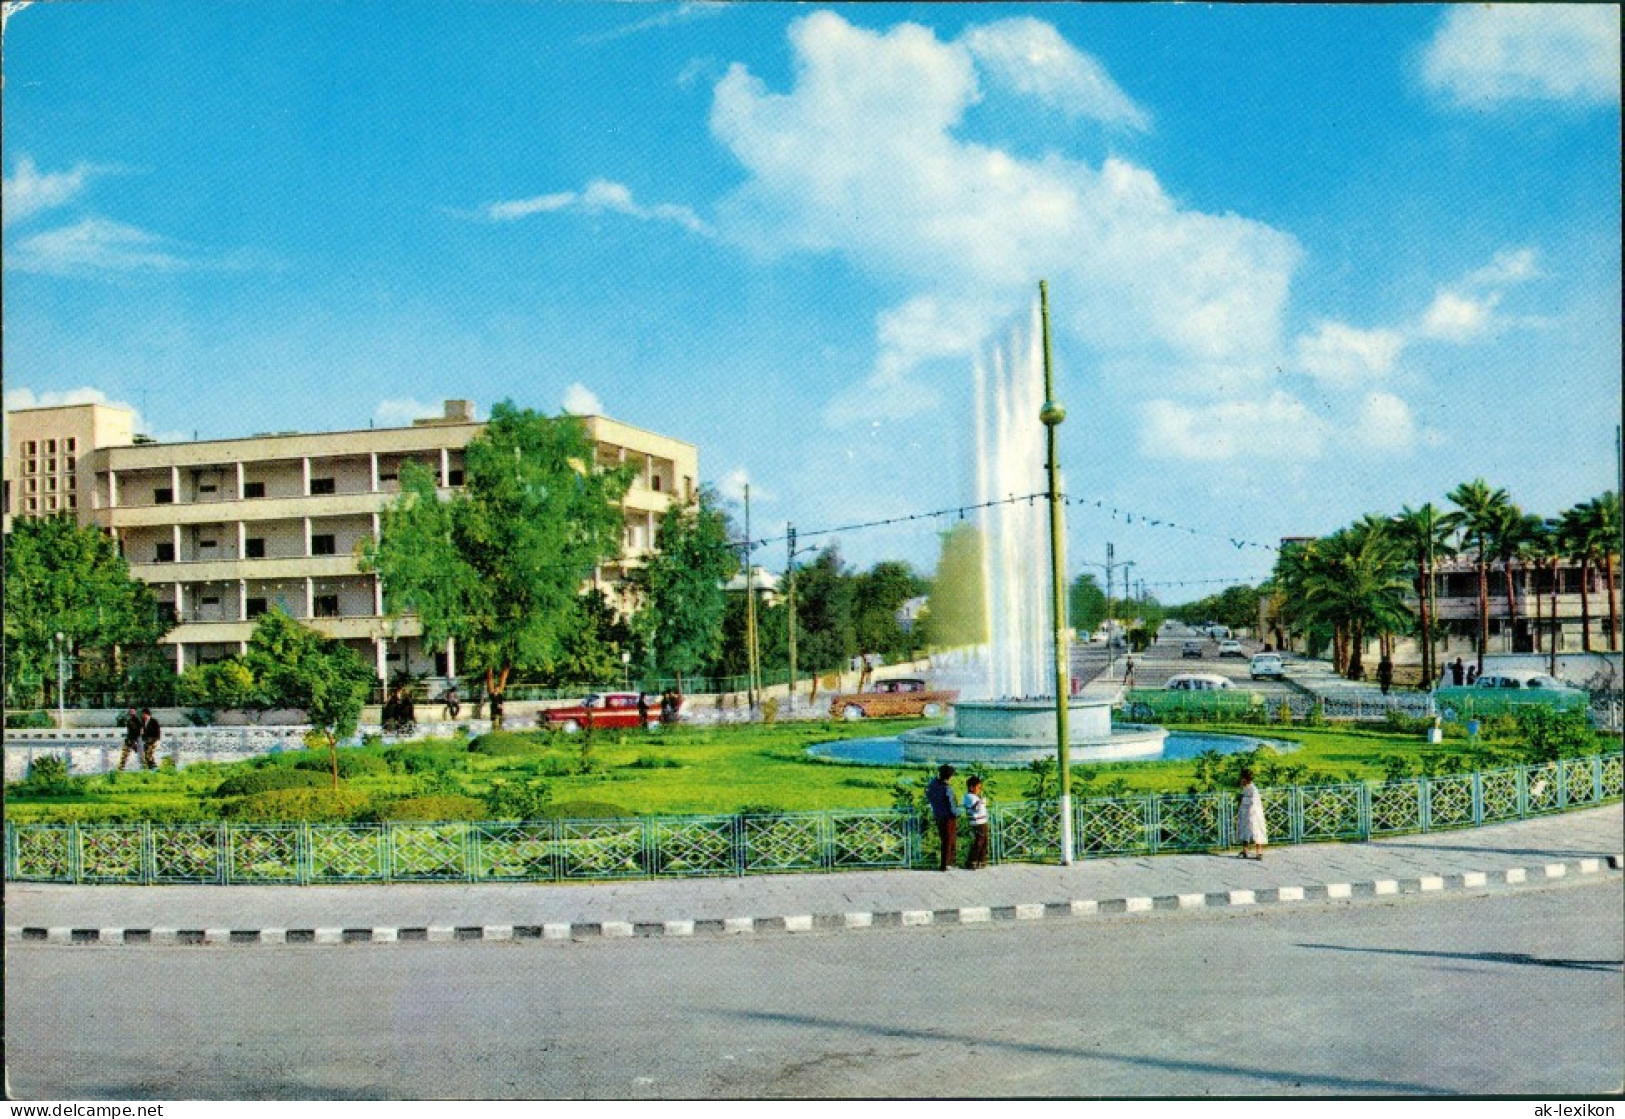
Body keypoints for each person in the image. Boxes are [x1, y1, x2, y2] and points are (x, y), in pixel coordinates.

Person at [925, 764, 961, 871]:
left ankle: (947, 863)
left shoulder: (933, 784)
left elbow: (928, 794)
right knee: (949, 840)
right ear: (950, 776)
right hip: (948, 817)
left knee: (944, 839)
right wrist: (957, 813)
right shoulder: (946, 788)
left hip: (938, 815)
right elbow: (951, 805)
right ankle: (946, 864)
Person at [1237, 767, 1266, 860]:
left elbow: (1254, 802)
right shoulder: (1245, 788)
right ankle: (1245, 850)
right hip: (1245, 812)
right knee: (1244, 829)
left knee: (1256, 830)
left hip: (1254, 813)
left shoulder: (1253, 789)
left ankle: (1259, 852)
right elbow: (1242, 799)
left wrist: (1249, 810)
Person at [962, 775, 990, 870]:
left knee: (984, 841)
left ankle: (981, 861)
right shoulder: (970, 797)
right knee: (979, 842)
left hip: (982, 821)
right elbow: (976, 808)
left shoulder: (973, 796)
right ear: (971, 787)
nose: (979, 790)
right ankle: (972, 861)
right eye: (978, 788)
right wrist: (982, 801)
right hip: (978, 822)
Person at [118, 706, 144, 771]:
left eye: (133, 711)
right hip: (130, 739)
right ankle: (121, 767)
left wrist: (137, 739)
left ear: (135, 711)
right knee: (125, 752)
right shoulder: (129, 720)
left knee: (140, 753)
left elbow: (141, 730)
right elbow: (129, 730)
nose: (131, 712)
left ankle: (144, 766)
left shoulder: (137, 719)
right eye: (130, 711)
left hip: (136, 739)